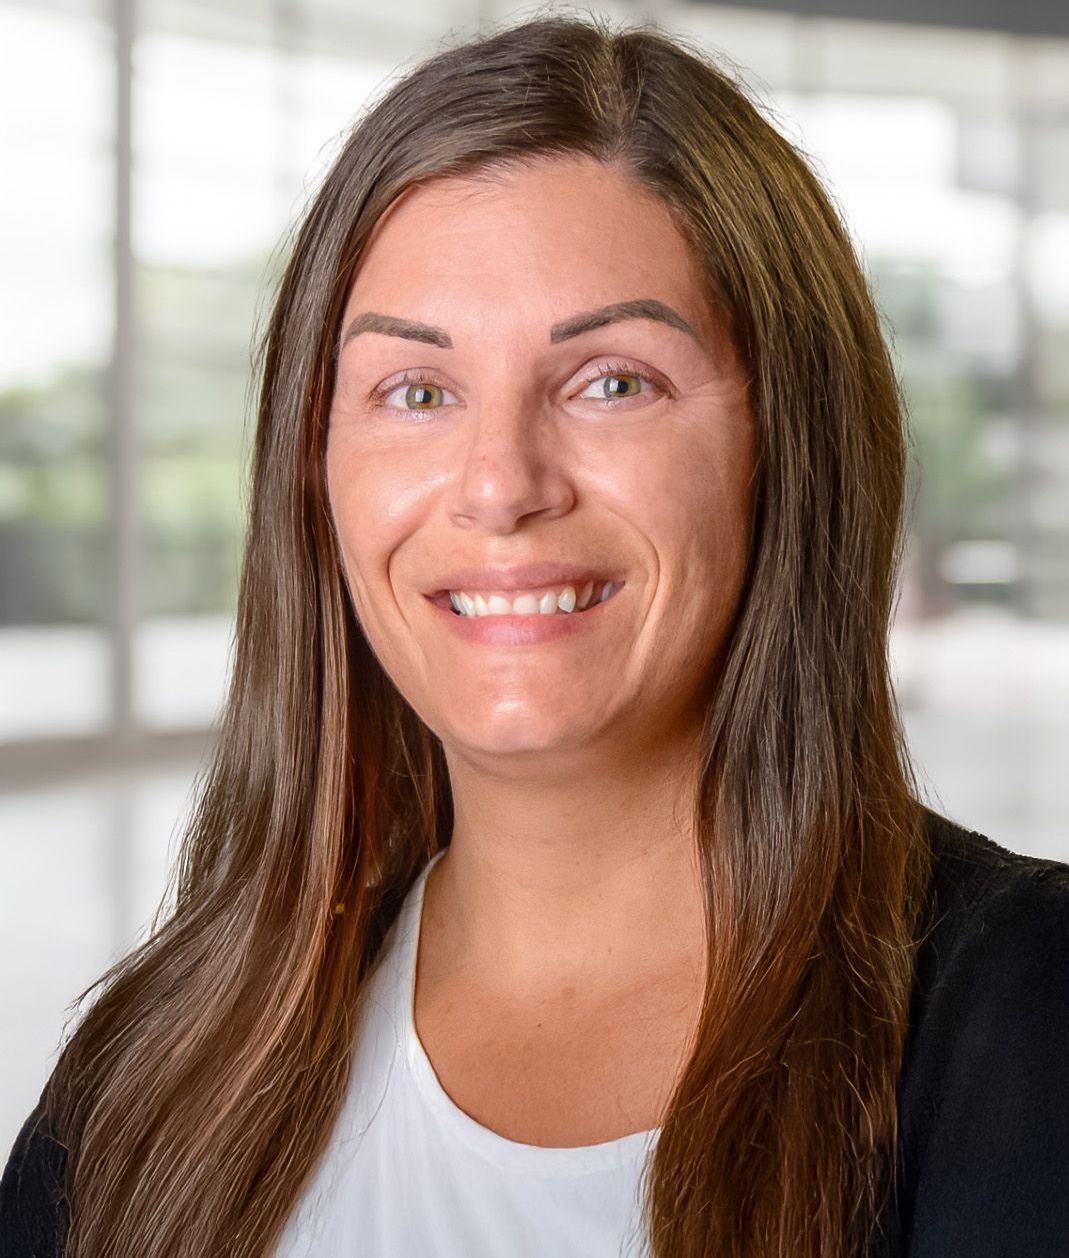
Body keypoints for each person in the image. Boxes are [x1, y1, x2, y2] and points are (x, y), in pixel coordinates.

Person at [3, 12, 1068, 1258]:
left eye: (613, 381)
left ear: (788, 446)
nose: (499, 483)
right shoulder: (150, 1066)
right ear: (315, 467)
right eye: (416, 391)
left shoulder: (1029, 1032)